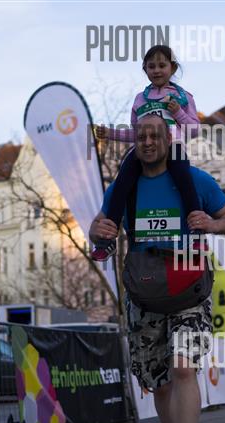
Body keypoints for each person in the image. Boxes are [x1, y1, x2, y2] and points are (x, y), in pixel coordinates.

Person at [89, 115, 225, 423]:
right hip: (145, 293)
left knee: (183, 368)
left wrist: (213, 225)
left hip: (190, 290)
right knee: (158, 385)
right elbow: (100, 224)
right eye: (141, 136)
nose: (147, 141)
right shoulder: (125, 187)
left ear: (168, 138)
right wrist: (97, 230)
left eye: (154, 135)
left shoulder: (195, 181)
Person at [92, 44, 202, 261]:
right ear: (145, 69)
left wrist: (178, 113)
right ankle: (107, 240)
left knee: (185, 181)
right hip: (143, 150)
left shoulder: (183, 96)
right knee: (122, 183)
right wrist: (110, 134)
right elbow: (136, 134)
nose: (157, 70)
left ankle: (196, 232)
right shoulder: (139, 99)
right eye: (151, 66)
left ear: (172, 67)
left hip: (173, 146)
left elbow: (194, 130)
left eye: (162, 65)